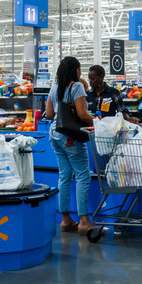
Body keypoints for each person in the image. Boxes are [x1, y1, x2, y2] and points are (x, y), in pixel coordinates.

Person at [44, 56, 99, 236]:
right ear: (76, 70)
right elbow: (83, 115)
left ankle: (66, 219)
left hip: (55, 134)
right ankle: (84, 221)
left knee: (64, 175)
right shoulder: (76, 87)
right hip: (71, 136)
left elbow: (50, 115)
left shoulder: (54, 87)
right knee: (83, 175)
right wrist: (98, 120)